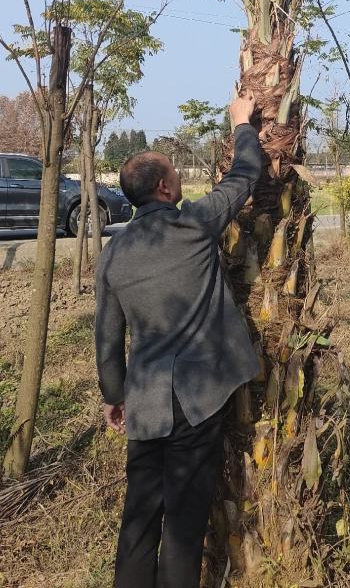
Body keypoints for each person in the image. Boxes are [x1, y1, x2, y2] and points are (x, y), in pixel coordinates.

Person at [95, 92, 262, 588]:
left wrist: (113, 394)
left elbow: (107, 333)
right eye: (176, 175)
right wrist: (241, 123)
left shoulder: (113, 254)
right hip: (197, 401)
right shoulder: (195, 223)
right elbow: (244, 176)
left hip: (144, 404)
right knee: (184, 528)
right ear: (166, 187)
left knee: (139, 519)